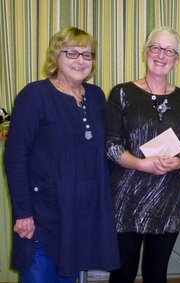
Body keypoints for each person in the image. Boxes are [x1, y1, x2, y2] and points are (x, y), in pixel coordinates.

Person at [4, 27, 120, 282]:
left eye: (87, 55)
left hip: (80, 215)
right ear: (56, 56)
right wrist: (23, 212)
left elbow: (106, 151)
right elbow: (15, 158)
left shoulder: (97, 96)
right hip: (43, 215)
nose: (80, 61)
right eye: (72, 53)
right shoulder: (35, 95)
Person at [105, 26, 180, 283]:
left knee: (157, 274)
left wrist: (179, 161)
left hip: (167, 198)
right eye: (155, 47)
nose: (161, 55)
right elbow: (111, 145)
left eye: (169, 50)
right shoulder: (122, 92)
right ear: (146, 52)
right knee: (123, 274)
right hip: (126, 198)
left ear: (176, 59)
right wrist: (141, 164)